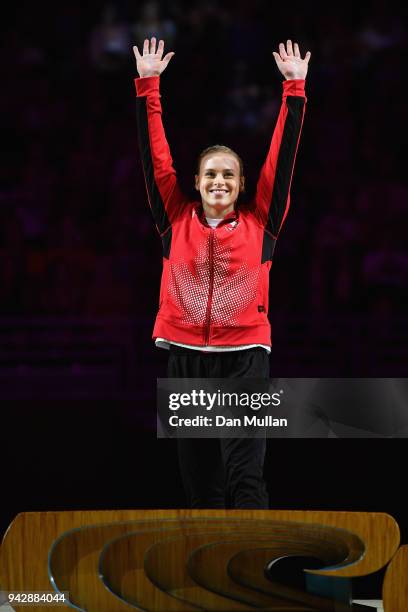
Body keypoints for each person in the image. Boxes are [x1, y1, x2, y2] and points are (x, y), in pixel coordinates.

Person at [133, 37, 310, 508]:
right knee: (200, 488)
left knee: (245, 477)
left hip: (247, 357)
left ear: (242, 185)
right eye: (210, 173)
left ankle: (252, 577)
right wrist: (148, 87)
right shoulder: (173, 218)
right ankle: (204, 580)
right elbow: (156, 160)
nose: (219, 181)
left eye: (229, 175)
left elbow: (284, 160)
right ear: (196, 182)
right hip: (185, 360)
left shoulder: (262, 222)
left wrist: (295, 90)